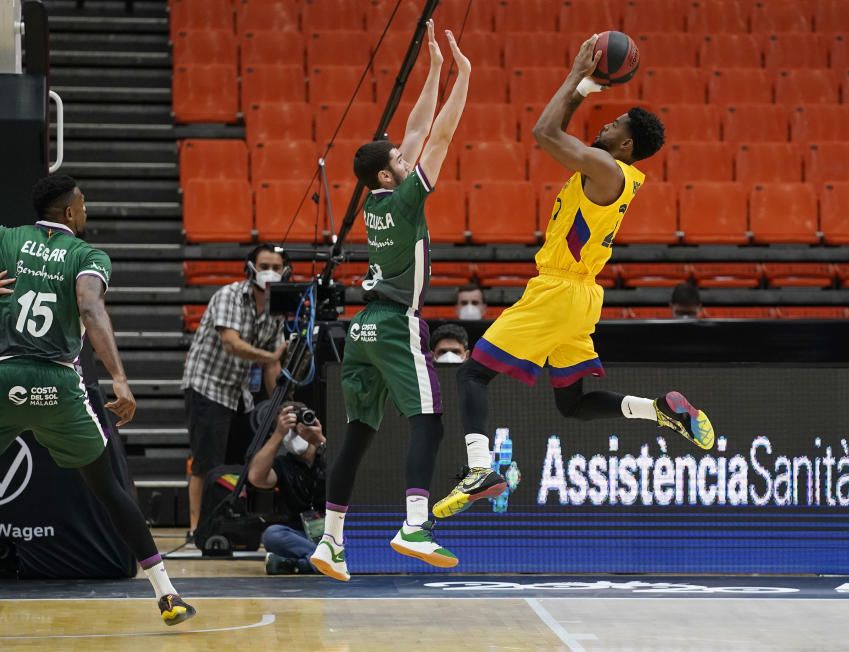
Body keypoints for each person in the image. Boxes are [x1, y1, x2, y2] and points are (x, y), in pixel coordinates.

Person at [434, 35, 715, 520]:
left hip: (558, 289)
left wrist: (573, 75)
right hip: (581, 296)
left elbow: (544, 133)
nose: (606, 123)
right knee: (572, 404)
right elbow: (558, 130)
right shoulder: (610, 171)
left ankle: (480, 468)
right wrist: (583, 85)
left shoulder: (606, 168)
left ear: (626, 144)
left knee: (473, 374)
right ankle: (661, 411)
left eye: (616, 123)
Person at [308, 22, 471, 582]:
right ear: (388, 173)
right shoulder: (404, 202)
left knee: (357, 434)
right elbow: (439, 136)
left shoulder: (379, 198)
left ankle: (330, 542)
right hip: (398, 323)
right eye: (400, 158)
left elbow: (416, 126)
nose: (408, 156)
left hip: (362, 332)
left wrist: (431, 69)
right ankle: (415, 525)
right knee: (428, 422)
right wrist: (463, 79)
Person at [0, 175, 195, 625]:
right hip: (56, 385)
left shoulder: (9, 240)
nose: (87, 209)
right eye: (83, 203)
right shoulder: (87, 256)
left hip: (4, 375)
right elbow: (90, 308)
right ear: (69, 212)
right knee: (107, 488)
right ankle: (167, 595)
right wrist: (120, 378)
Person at [180, 243, 288, 539]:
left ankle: (229, 525)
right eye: (264, 266)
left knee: (243, 458)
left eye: (276, 268)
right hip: (207, 385)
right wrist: (272, 356)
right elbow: (232, 343)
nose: (270, 273)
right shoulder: (228, 295)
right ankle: (196, 530)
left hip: (240, 392)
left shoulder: (277, 310)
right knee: (206, 461)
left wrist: (279, 404)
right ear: (251, 268)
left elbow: (271, 367)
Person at [246, 403, 327, 575]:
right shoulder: (283, 464)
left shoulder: (327, 454)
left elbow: (346, 475)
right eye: (292, 429)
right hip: (300, 535)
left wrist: (320, 441)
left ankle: (297, 565)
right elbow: (256, 477)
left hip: (333, 532)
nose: (298, 433)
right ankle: (324, 560)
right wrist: (279, 433)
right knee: (272, 535)